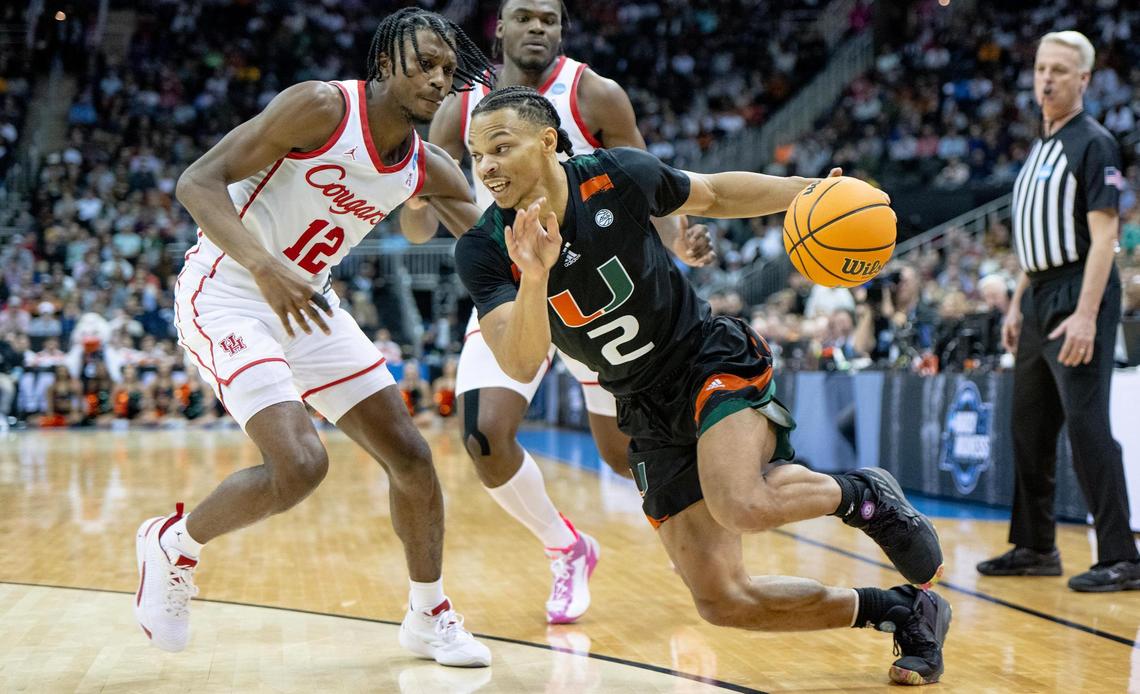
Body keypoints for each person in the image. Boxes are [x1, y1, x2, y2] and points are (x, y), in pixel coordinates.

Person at [455, 87, 950, 685]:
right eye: (476, 153)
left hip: (703, 358)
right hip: (638, 402)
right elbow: (520, 356)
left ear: (547, 142)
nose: (485, 166)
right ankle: (901, 610)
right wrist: (534, 275)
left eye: (499, 147)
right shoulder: (483, 247)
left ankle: (862, 495)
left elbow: (713, 193)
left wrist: (809, 194)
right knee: (723, 602)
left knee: (741, 502)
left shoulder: (616, 175)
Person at [134, 8, 495, 666]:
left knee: (412, 460)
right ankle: (173, 543)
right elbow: (196, 182)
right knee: (301, 465)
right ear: (386, 63)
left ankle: (428, 613)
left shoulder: (427, 167)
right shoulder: (320, 108)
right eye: (424, 63)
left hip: (307, 302)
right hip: (230, 290)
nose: (439, 78)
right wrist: (263, 265)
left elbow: (490, 240)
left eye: (448, 69)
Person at [401, 0, 714, 625]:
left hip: (600, 292)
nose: (538, 27)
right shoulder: (461, 108)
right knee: (484, 436)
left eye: (550, 18)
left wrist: (682, 239)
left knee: (624, 455)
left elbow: (651, 181)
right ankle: (566, 548)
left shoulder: (596, 94)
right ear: (501, 28)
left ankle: (707, 548)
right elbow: (416, 224)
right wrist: (413, 200)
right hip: (514, 290)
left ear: (563, 30)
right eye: (525, 16)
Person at [977, 31, 1140, 591]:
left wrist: (1089, 314)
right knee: (1028, 425)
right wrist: (1018, 304)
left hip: (1079, 291)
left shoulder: (1093, 143)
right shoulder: (1040, 145)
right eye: (1041, 68)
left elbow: (1103, 238)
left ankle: (1122, 556)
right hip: (1041, 291)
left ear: (1084, 80)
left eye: (1060, 71)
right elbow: (1033, 239)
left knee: (1088, 426)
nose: (1046, 78)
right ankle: (1034, 546)